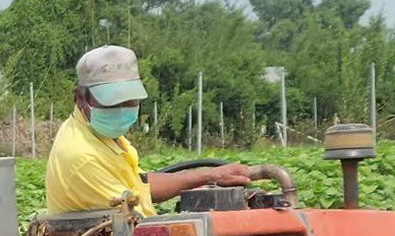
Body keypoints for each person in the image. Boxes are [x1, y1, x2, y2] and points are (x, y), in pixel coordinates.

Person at [45, 45, 251, 216]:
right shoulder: (82, 155)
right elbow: (136, 225)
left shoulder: (99, 135)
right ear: (80, 98)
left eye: (129, 101)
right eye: (111, 102)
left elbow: (140, 186)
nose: (121, 110)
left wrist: (209, 176)